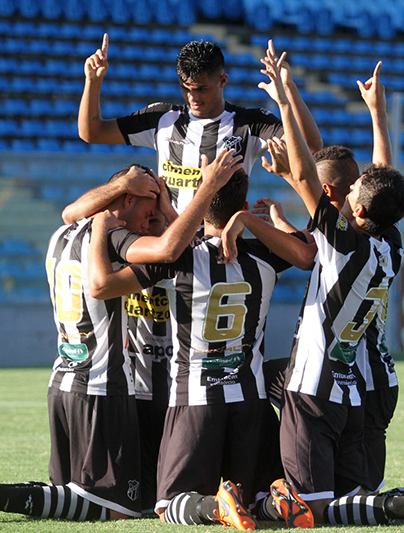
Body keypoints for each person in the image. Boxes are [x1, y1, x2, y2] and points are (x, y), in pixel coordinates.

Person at [0, 155, 240, 524]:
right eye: (148, 211)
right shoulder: (112, 237)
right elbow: (169, 251)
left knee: (75, 495)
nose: (149, 222)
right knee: (114, 508)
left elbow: (70, 212)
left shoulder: (64, 232)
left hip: (63, 382)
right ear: (126, 201)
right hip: (103, 387)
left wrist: (128, 191)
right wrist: (207, 188)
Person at [257, 45, 404, 528]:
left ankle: (263, 492)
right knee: (353, 499)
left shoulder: (343, 246)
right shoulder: (390, 243)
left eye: (356, 189)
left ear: (356, 210)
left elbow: (303, 175)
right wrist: (378, 116)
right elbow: (382, 183)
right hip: (353, 386)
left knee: (312, 510)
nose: (356, 184)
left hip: (321, 384)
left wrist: (282, 102)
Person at [88, 168, 318, 530]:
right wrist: (271, 219)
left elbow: (103, 287)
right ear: (242, 205)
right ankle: (276, 504)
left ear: (198, 205)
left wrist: (102, 226)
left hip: (196, 399)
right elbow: (308, 247)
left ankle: (216, 508)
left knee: (170, 504)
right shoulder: (268, 253)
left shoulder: (175, 259)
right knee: (257, 495)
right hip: (250, 399)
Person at [78, 36, 323, 213]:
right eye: (186, 88)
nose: (193, 97)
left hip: (222, 249)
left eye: (201, 89)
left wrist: (288, 91)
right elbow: (93, 132)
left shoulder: (251, 124)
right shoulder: (162, 119)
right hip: (169, 246)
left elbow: (311, 148)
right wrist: (92, 82)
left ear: (222, 81)